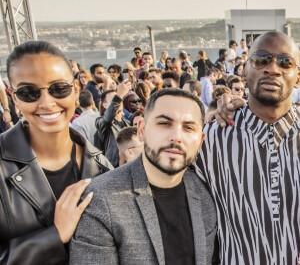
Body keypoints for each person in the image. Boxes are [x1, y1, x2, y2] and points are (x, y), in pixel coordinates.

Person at [70, 88, 218, 265]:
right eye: (164, 123)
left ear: (200, 140)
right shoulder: (101, 199)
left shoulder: (206, 192)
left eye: (188, 127)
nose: (176, 137)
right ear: (141, 130)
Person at [0, 41, 112, 265]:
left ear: (76, 90)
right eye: (29, 92)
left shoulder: (101, 166)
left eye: (59, 88)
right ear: (15, 98)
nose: (47, 102)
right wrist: (55, 236)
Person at [196, 31, 300, 264]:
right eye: (261, 59)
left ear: (298, 77)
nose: (272, 69)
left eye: (285, 62)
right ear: (245, 69)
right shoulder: (211, 139)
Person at [95, 81, 131, 168]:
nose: (119, 102)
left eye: (120, 99)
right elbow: (107, 118)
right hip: (113, 169)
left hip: (130, 167)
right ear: (104, 105)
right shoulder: (101, 122)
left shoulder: (128, 123)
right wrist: (118, 96)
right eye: (113, 100)